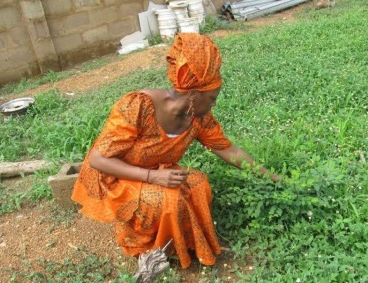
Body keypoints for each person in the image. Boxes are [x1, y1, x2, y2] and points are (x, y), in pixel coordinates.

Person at [71, 33, 277, 269]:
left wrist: (269, 176)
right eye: (211, 98)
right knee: (168, 200)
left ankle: (185, 243)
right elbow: (98, 159)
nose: (214, 105)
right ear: (193, 94)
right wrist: (153, 177)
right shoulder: (138, 106)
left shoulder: (198, 116)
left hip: (153, 171)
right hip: (116, 176)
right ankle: (146, 248)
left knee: (199, 184)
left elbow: (227, 149)